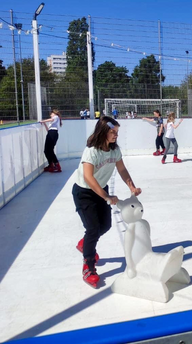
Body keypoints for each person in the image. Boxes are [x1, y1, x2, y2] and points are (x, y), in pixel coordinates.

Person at [73, 116, 142, 288]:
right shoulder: (91, 151)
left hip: (101, 191)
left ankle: (84, 244)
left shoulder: (114, 150)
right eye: (113, 132)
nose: (116, 135)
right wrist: (107, 197)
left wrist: (131, 187)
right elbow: (88, 177)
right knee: (93, 228)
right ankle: (88, 266)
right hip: (84, 193)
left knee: (105, 226)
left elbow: (122, 169)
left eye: (117, 132)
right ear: (103, 131)